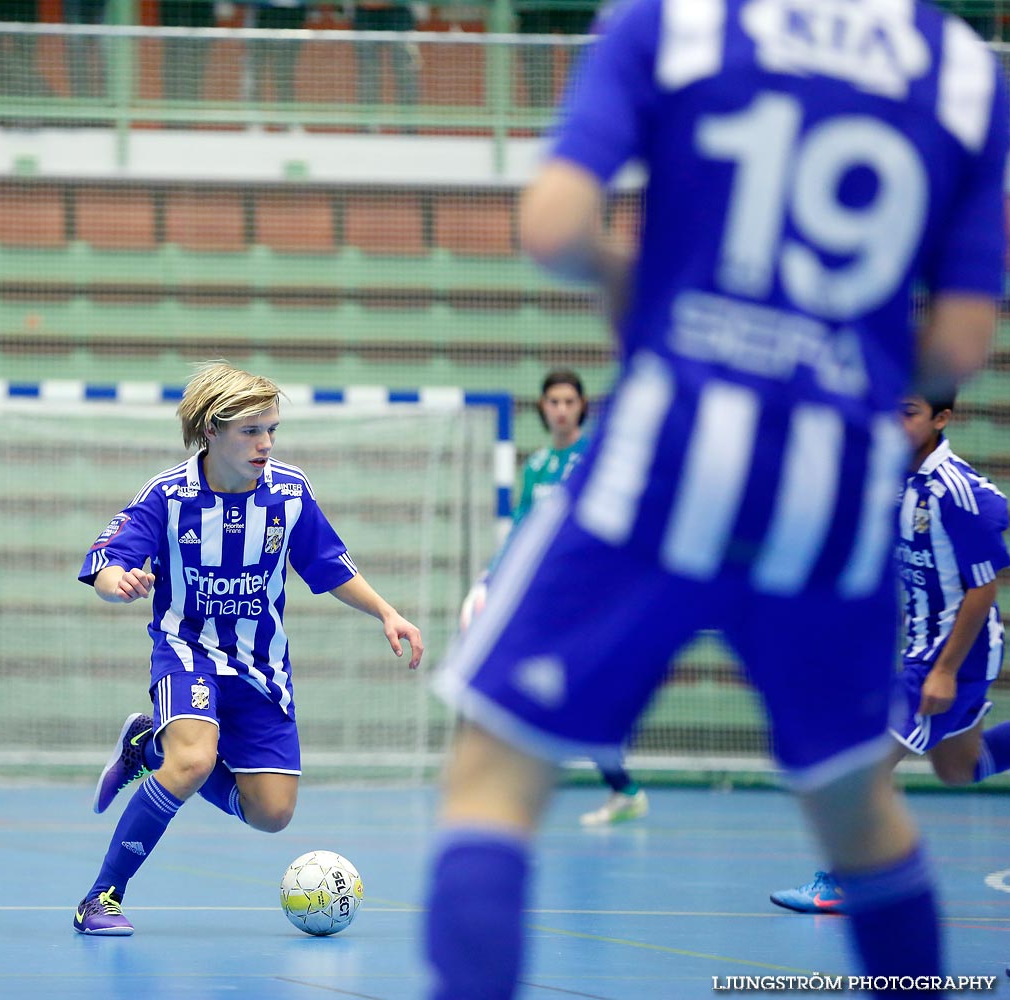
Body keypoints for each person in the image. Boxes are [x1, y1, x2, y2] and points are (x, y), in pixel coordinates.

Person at [423, 0, 1008, 997]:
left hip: (660, 467)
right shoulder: (965, 71)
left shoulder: (676, 23)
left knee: (493, 779)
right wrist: (837, 364)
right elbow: (957, 345)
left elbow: (554, 228)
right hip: (828, 508)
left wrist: (640, 291)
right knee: (860, 818)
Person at [71, 360, 423, 936]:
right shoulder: (168, 496)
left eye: (272, 430)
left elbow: (327, 565)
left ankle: (147, 744)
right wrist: (120, 586)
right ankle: (101, 897)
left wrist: (386, 612)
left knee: (272, 814)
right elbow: (108, 561)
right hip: (187, 652)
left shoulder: (289, 492)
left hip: (261, 667)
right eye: (251, 431)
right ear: (211, 430)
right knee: (194, 760)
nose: (265, 443)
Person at [771, 392, 1010, 914]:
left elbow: (984, 588)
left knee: (860, 764)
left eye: (908, 412)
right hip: (920, 647)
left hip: (954, 657)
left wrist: (945, 670)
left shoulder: (957, 493)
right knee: (958, 768)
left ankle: (843, 882)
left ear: (941, 419)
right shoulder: (893, 476)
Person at [459, 369, 650, 826]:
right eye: (553, 402)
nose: (561, 409)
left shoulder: (593, 459)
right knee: (552, 687)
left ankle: (612, 786)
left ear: (582, 407)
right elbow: (523, 528)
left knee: (574, 690)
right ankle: (619, 787)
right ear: (542, 408)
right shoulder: (538, 465)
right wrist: (493, 576)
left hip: (589, 596)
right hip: (549, 596)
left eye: (569, 401)